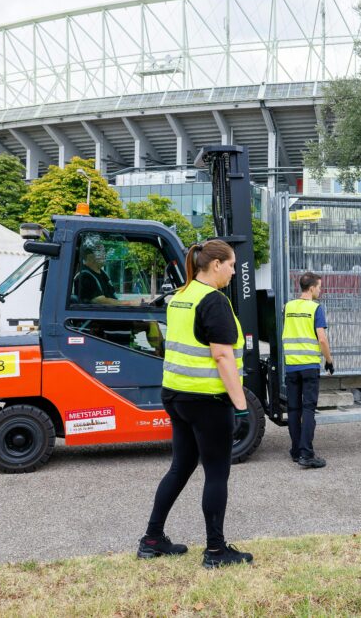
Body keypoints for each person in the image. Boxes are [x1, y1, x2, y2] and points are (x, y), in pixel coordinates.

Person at [137, 240, 253, 569]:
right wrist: (241, 405)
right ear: (215, 264)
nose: (233, 271)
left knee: (181, 466)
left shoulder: (180, 297)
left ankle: (152, 539)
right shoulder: (213, 300)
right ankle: (216, 551)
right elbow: (222, 355)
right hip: (207, 399)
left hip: (175, 394)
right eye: (231, 264)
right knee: (216, 473)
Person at [283, 271, 334, 469]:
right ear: (311, 288)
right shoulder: (315, 308)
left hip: (292, 366)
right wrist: (328, 360)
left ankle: (295, 451)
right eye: (319, 287)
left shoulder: (288, 307)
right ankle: (306, 453)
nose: (320, 291)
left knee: (294, 410)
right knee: (309, 409)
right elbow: (322, 338)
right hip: (310, 366)